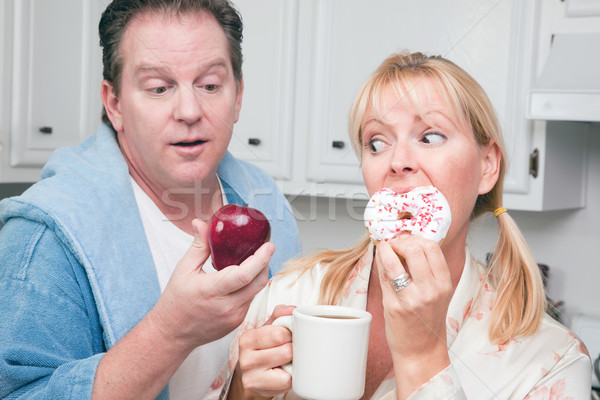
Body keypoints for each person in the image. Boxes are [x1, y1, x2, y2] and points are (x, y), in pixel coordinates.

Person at [223, 52, 592, 399]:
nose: (398, 161)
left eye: (430, 136)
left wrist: (423, 357)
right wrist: (242, 391)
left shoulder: (551, 364)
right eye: (376, 143)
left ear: (488, 167)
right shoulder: (290, 295)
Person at [0, 0, 300, 399]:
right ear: (115, 103)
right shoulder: (43, 239)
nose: (190, 110)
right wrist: (170, 332)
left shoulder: (266, 200)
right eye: (159, 88)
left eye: (210, 85)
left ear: (238, 96)